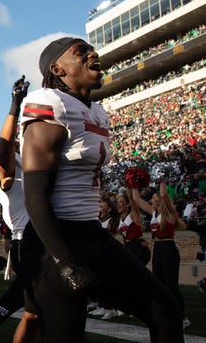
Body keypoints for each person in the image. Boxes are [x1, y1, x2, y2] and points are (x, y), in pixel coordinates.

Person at [19, 36, 183, 342]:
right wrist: (66, 264)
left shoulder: (96, 110)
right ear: (57, 68)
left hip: (91, 233)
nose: (92, 53)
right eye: (80, 52)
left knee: (165, 309)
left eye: (90, 49)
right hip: (55, 241)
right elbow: (35, 195)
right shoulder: (50, 102)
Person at [0, 76, 38, 343]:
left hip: (38, 237)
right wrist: (14, 106)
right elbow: (4, 150)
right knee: (20, 301)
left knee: (34, 313)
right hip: (26, 240)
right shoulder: (5, 164)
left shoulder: (27, 158)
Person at [130, 180, 190, 329]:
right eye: (153, 200)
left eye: (155, 199)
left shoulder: (169, 213)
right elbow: (137, 200)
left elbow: (164, 196)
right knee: (158, 283)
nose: (152, 201)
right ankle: (165, 313)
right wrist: (131, 183)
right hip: (157, 249)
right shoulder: (154, 213)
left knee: (171, 284)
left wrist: (162, 181)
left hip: (168, 249)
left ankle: (182, 317)